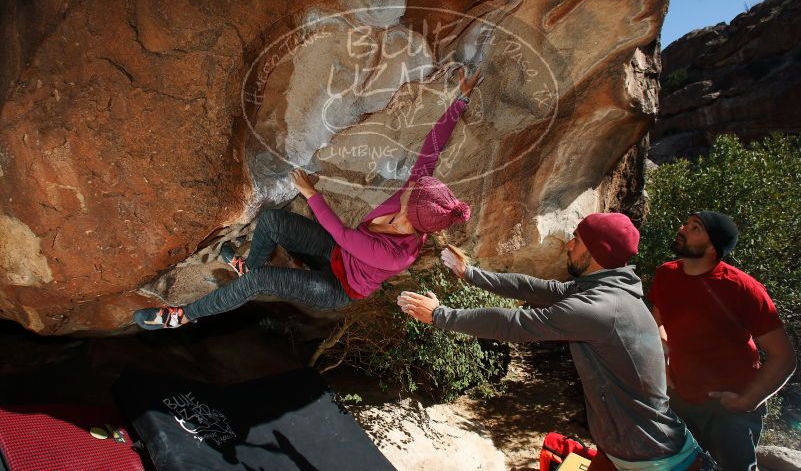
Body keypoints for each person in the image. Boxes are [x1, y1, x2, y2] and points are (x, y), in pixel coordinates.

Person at [133, 67, 482, 330]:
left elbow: (346, 236)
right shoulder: (415, 196)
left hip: (337, 286)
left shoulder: (398, 256)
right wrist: (460, 100)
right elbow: (431, 150)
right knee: (271, 222)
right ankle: (248, 266)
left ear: (415, 220)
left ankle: (182, 316)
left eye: (412, 196)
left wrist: (311, 193)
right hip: (336, 253)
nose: (408, 190)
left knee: (259, 282)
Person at [398, 213, 713, 469]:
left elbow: (517, 324)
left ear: (595, 252)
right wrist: (471, 274)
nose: (569, 245)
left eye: (577, 239)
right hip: (623, 452)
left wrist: (442, 315)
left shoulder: (601, 309)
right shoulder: (602, 292)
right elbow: (534, 289)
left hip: (659, 461)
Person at [648, 211, 796, 470]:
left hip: (728, 407)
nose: (682, 228)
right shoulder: (666, 275)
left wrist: (748, 400)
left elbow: (784, 357)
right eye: (686, 223)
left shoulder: (743, 289)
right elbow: (656, 323)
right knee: (679, 465)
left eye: (695, 228)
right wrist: (663, 363)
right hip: (680, 398)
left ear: (713, 247)